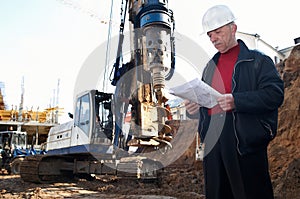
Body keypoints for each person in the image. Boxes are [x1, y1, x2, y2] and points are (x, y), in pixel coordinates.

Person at [185, 5, 284, 199]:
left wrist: (237, 101)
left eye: (218, 32)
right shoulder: (209, 68)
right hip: (213, 140)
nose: (213, 38)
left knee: (248, 193)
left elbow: (274, 94)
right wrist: (193, 108)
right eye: (209, 35)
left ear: (233, 28)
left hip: (242, 139)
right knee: (217, 193)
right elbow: (206, 103)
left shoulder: (258, 61)